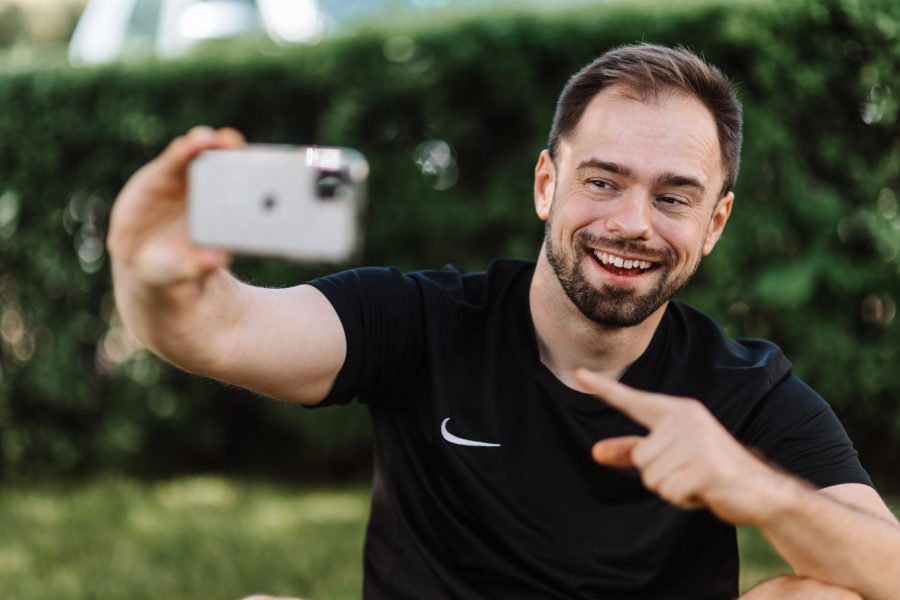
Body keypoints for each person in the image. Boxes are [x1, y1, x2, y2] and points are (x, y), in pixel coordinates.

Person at [107, 44, 900, 599]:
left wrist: (755, 487)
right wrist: (150, 275)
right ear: (546, 185)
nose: (632, 223)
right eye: (603, 181)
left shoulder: (743, 386)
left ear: (715, 223)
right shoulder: (423, 321)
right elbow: (222, 330)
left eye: (672, 196)